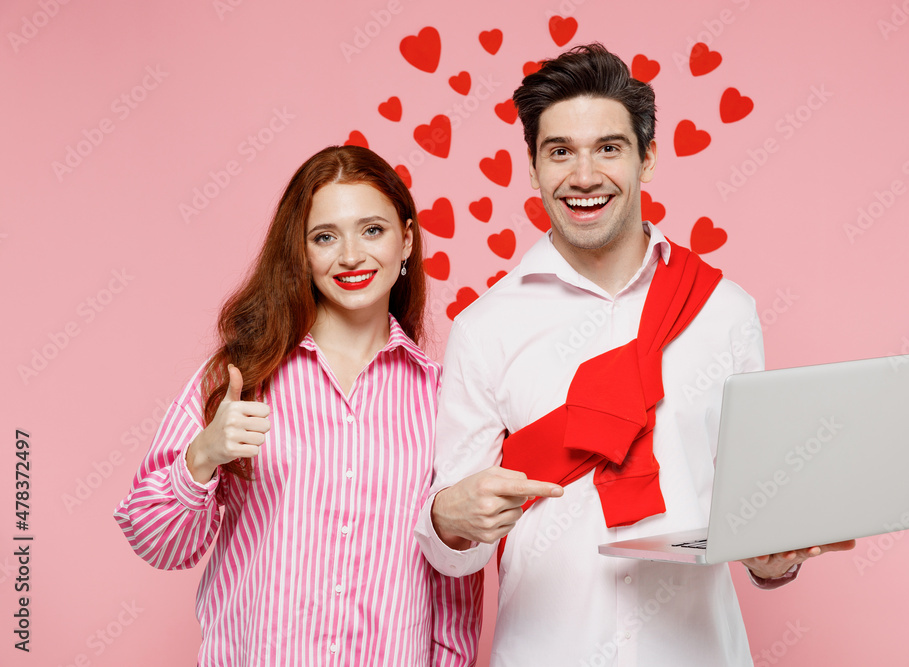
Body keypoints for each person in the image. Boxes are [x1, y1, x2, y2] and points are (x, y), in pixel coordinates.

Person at [414, 44, 854, 666]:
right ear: (533, 167)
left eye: (609, 148)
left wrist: (774, 558)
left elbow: (756, 506)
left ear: (647, 159)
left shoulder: (723, 311)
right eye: (560, 151)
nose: (584, 175)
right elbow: (451, 547)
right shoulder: (485, 327)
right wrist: (447, 517)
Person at [114, 145, 482, 666]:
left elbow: (453, 583)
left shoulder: (443, 399)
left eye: (372, 230)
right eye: (325, 237)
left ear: (407, 239)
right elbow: (157, 543)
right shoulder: (240, 377)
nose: (350, 255)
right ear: (302, 253)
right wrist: (202, 458)